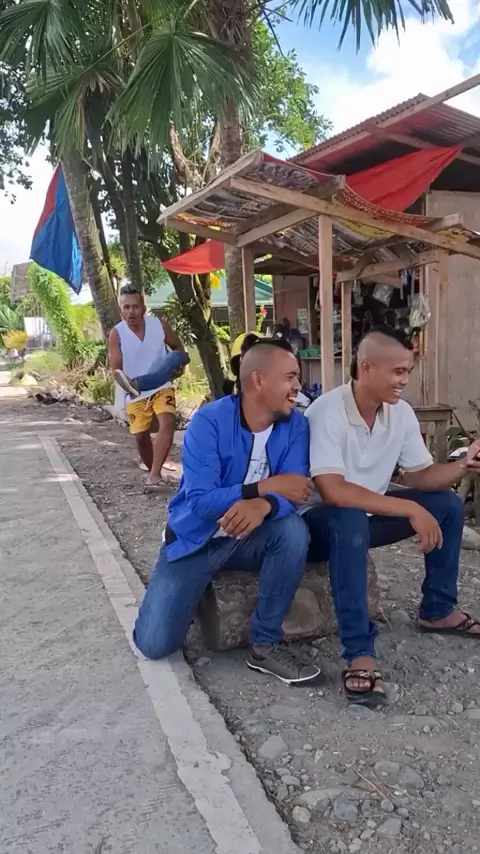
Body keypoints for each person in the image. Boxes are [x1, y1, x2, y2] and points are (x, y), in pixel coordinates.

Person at [302, 326, 480, 707]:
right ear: (366, 368)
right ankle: (359, 653)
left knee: (447, 506)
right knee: (350, 517)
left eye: (408, 371)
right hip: (318, 525)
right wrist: (410, 508)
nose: (405, 380)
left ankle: (437, 610)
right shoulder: (327, 412)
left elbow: (421, 476)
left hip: (367, 517)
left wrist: (463, 465)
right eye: (398, 371)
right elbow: (333, 492)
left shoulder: (400, 414)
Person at [133, 340, 320, 685]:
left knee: (293, 531)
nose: (298, 386)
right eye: (290, 377)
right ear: (258, 381)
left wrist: (265, 504)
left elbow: (296, 491)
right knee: (154, 644)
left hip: (250, 537)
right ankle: (189, 588)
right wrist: (264, 488)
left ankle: (264, 645)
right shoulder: (209, 421)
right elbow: (201, 501)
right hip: (197, 540)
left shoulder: (296, 425)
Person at [108, 285, 186, 493]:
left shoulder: (159, 326)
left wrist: (178, 365)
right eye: (126, 307)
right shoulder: (117, 333)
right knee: (141, 437)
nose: (131, 312)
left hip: (162, 384)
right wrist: (125, 383)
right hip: (135, 390)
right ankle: (154, 473)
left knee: (167, 421)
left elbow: (178, 347)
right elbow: (116, 369)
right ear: (120, 310)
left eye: (135, 307)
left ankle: (154, 476)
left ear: (143, 308)